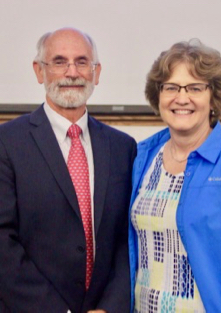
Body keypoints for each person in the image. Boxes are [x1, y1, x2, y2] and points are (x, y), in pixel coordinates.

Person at [0, 27, 136, 313]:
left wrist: (110, 307)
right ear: (39, 71)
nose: (71, 72)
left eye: (82, 62)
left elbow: (128, 238)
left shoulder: (123, 148)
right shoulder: (7, 143)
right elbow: (2, 242)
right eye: (59, 62)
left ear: (96, 73)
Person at [128, 39, 221, 312]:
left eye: (195, 88)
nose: (181, 98)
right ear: (158, 95)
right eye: (171, 87)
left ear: (214, 97)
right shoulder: (142, 157)